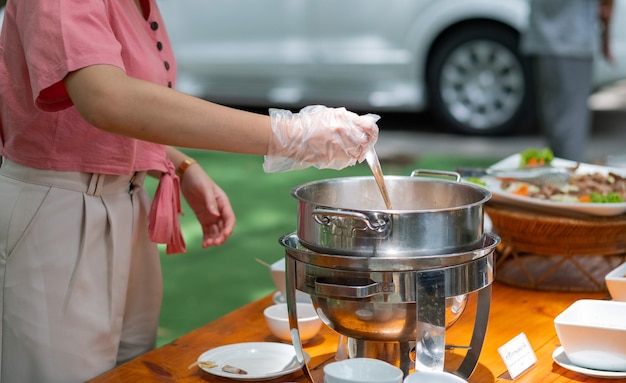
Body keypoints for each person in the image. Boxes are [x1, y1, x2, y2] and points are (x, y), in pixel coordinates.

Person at [0, 1, 380, 382]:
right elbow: (105, 98)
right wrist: (289, 135)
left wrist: (181, 165)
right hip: (59, 210)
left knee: (132, 369)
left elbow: (123, 106)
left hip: (127, 199)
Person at [520, 0, 614, 162]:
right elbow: (606, 6)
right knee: (569, 127)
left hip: (543, 39)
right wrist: (605, 37)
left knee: (555, 123)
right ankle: (565, 180)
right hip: (574, 39)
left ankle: (557, 178)